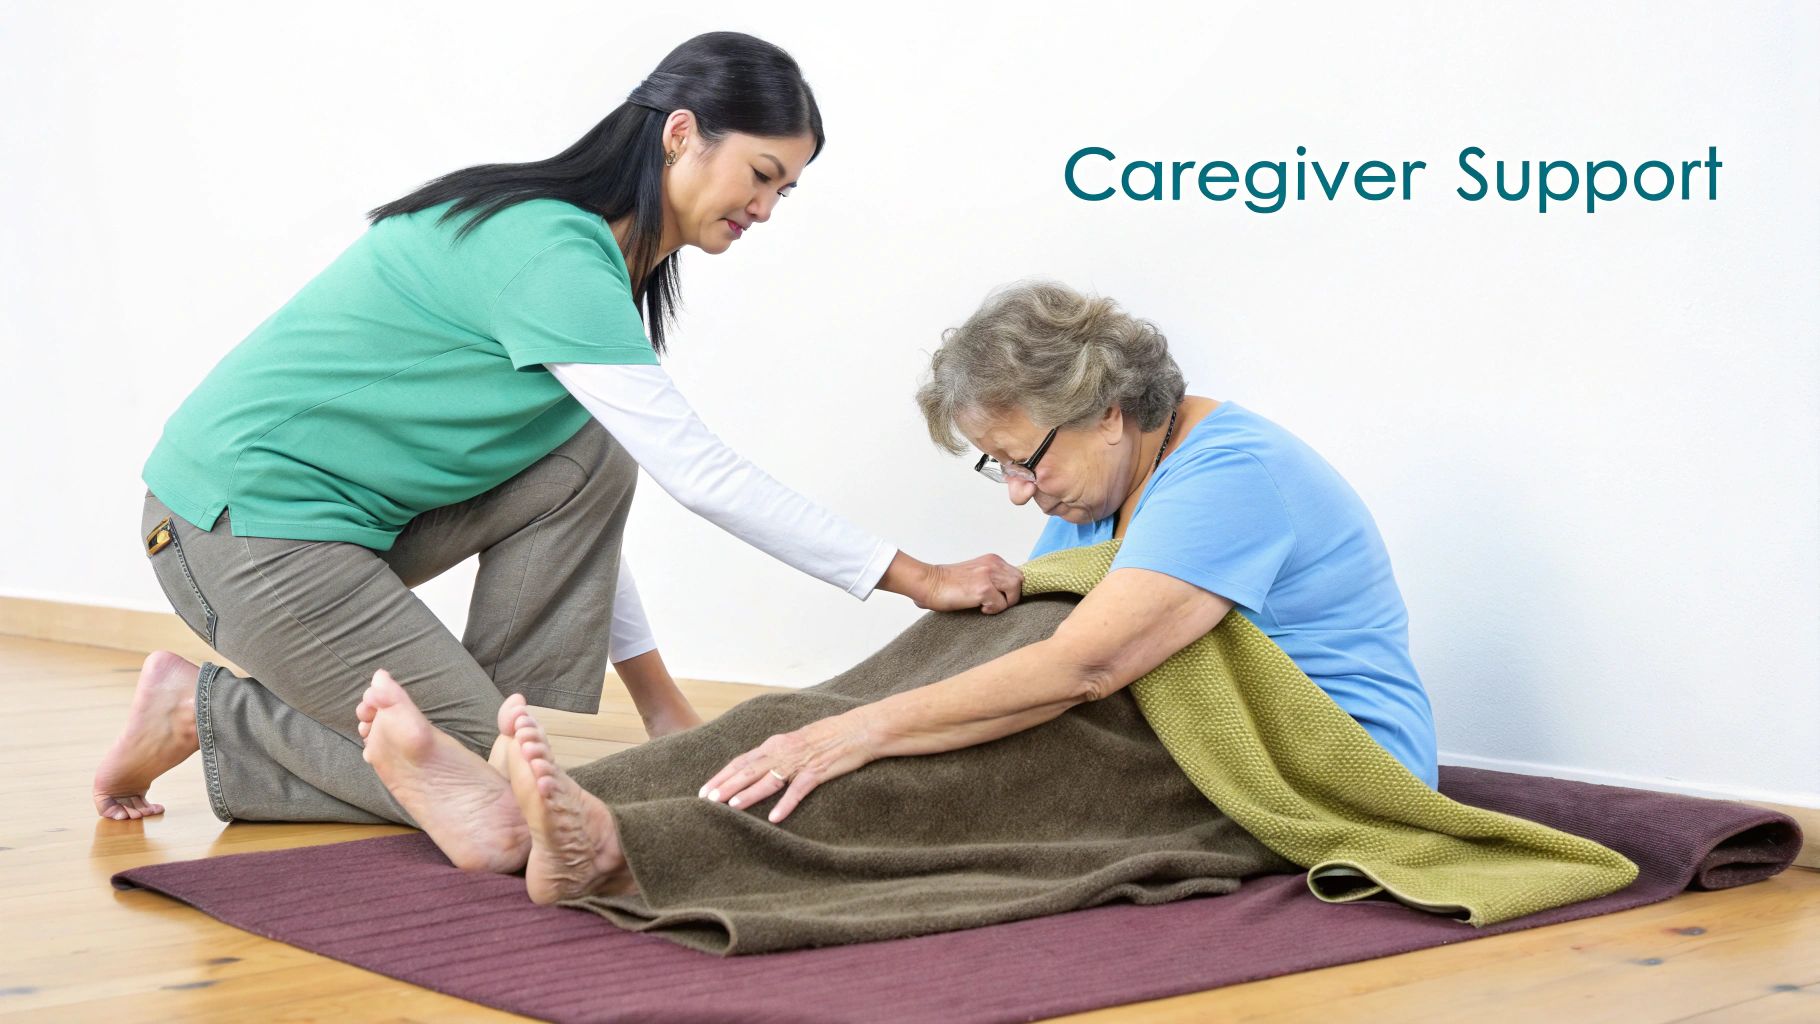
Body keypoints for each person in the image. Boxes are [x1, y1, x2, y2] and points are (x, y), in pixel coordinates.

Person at [93, 31, 1022, 825]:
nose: (767, 210)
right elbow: (698, 473)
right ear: (682, 134)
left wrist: (662, 708)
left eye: (787, 191)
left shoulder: (595, 262)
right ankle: (203, 710)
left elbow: (591, 490)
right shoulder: (553, 252)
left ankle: (495, 724)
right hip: (234, 528)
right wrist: (916, 576)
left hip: (343, 532)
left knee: (588, 450)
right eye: (761, 176)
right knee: (509, 800)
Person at [346, 279, 1438, 915]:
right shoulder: (1104, 481)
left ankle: (630, 848)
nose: (1019, 492)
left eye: (1025, 461)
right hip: (1172, 726)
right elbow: (1033, 636)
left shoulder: (1230, 476)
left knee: (933, 778)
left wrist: (863, 733)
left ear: (1111, 409)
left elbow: (1084, 663)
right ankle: (512, 812)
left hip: (1301, 763)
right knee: (803, 723)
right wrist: (846, 716)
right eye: (996, 468)